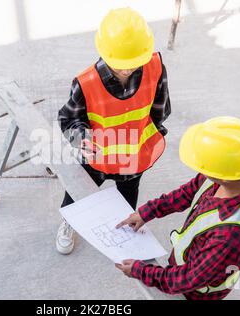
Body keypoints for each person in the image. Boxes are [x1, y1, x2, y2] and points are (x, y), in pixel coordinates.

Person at [56, 7, 171, 254]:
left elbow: (160, 108)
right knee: (77, 195)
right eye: (122, 65)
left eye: (133, 63)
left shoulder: (155, 67)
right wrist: (82, 138)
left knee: (128, 200)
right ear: (105, 52)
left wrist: (153, 134)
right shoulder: (86, 83)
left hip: (133, 157)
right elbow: (67, 118)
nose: (128, 70)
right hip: (96, 157)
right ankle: (69, 222)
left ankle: (125, 235)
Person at [115, 116, 240, 300]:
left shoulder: (231, 237)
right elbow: (188, 192)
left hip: (195, 293)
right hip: (195, 265)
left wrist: (141, 271)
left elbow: (187, 279)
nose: (201, 170)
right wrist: (147, 212)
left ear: (224, 176)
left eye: (205, 166)